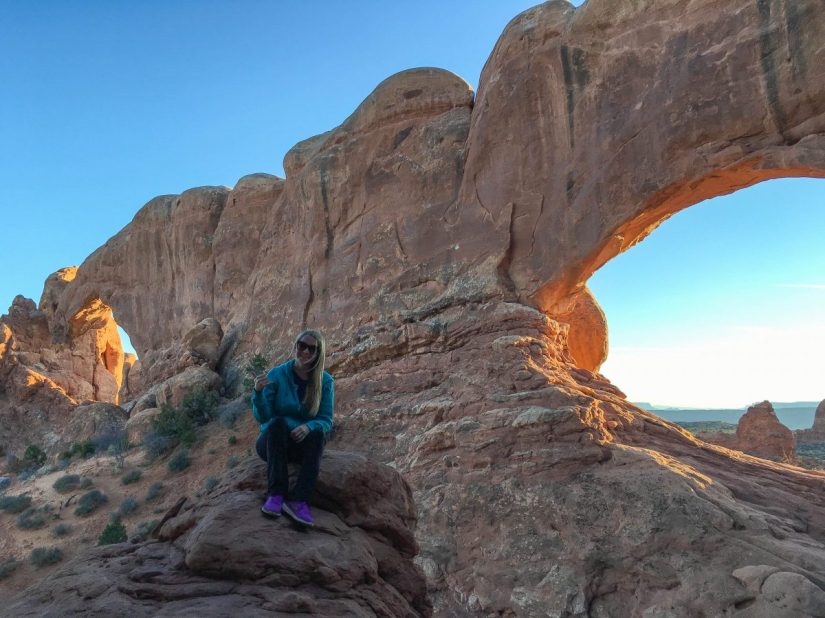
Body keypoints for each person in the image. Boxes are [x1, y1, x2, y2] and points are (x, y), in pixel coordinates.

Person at [251, 329, 334, 526]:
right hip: (273, 442)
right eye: (301, 346)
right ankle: (276, 495)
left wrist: (308, 427)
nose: (305, 352)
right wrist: (258, 393)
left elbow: (326, 419)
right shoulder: (277, 374)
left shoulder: (325, 381)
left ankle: (299, 501)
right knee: (277, 423)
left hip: (299, 444)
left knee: (317, 435)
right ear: (295, 346)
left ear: (318, 353)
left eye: (311, 349)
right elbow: (263, 417)